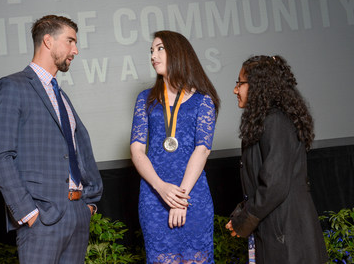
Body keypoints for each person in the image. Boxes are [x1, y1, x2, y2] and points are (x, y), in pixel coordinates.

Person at [0, 15, 103, 264]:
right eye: (70, 41)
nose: (76, 50)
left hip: (76, 214)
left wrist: (88, 205)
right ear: (48, 41)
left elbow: (78, 149)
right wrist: (28, 212)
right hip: (42, 220)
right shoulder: (11, 86)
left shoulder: (61, 96)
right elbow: (0, 157)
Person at [226, 55, 328, 263]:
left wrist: (245, 219)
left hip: (288, 237)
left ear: (258, 86)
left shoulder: (275, 121)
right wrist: (241, 214)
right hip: (279, 230)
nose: (235, 90)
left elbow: (275, 185)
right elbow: (265, 182)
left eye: (240, 83)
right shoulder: (266, 121)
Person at [130, 30, 220, 263]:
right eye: (151, 50)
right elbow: (137, 150)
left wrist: (182, 198)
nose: (153, 55)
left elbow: (203, 149)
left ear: (178, 53)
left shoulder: (203, 100)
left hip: (192, 195)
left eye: (160, 48)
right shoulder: (145, 99)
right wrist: (161, 188)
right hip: (154, 195)